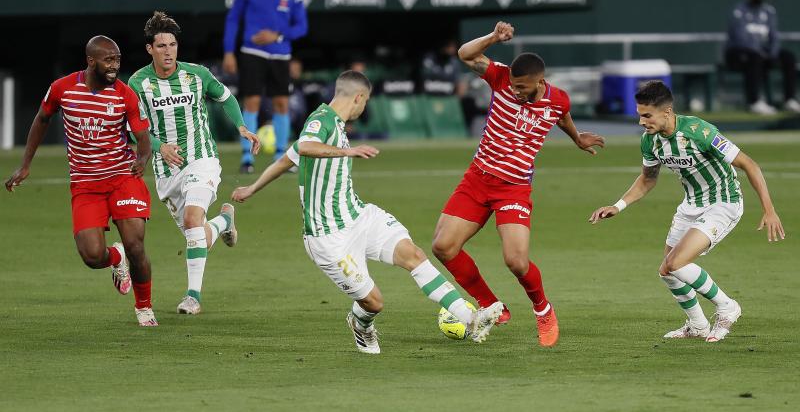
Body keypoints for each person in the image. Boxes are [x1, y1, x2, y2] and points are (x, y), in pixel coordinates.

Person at [231, 70, 504, 354]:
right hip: (328, 237)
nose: (365, 107)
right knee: (374, 302)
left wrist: (253, 187)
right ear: (359, 97)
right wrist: (348, 152)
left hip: (358, 216)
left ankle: (470, 318)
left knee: (413, 254)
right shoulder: (320, 120)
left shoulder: (333, 124)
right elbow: (308, 147)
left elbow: (290, 156)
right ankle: (360, 325)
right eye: (366, 101)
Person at [431, 21, 606, 348]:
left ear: (540, 82)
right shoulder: (499, 77)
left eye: (522, 87)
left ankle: (543, 309)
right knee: (443, 247)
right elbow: (465, 54)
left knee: (516, 261)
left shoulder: (558, 100)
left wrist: (577, 137)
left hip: (512, 188)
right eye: (513, 85)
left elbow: (562, 116)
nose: (515, 91)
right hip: (478, 178)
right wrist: (494, 38)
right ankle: (490, 303)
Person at [589, 81, 785, 342]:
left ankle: (727, 307)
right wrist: (618, 205)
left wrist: (769, 210)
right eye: (639, 115)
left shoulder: (699, 131)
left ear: (667, 112)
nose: (641, 122)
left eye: (646, 115)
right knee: (666, 271)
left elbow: (749, 164)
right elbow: (647, 179)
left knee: (676, 263)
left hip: (723, 203)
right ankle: (698, 325)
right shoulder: (650, 141)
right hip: (691, 205)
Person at [4, 36, 157, 326]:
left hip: (123, 176)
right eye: (108, 60)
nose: (115, 66)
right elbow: (41, 119)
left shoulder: (125, 95)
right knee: (91, 255)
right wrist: (25, 165)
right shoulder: (62, 89)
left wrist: (142, 158)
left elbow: (143, 137)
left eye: (118, 59)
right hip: (86, 184)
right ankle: (115, 258)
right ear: (91, 61)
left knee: (136, 245)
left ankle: (144, 307)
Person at [129, 11, 260, 315]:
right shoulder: (138, 83)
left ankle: (193, 297)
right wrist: (159, 147)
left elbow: (226, 96)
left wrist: (240, 126)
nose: (168, 51)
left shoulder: (196, 75)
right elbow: (133, 128)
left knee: (191, 221)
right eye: (161, 46)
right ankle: (225, 220)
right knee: (197, 232)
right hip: (167, 171)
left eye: (172, 45)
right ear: (150, 49)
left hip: (202, 159)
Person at [223, 0, 309, 173]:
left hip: (280, 54)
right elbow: (232, 20)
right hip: (252, 52)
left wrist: (278, 36)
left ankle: (281, 156)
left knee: (282, 103)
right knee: (251, 103)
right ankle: (247, 158)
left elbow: (302, 27)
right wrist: (229, 51)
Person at [725, 0, 800, 114]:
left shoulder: (769, 12)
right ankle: (754, 102)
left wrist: (772, 52)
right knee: (754, 57)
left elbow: (774, 36)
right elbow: (740, 38)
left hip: (763, 54)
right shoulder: (739, 10)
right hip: (740, 54)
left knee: (788, 57)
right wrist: (760, 51)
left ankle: (789, 99)